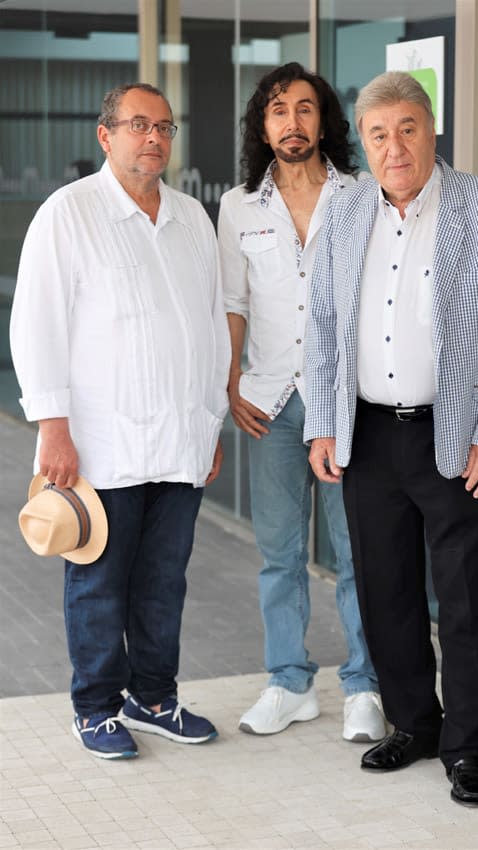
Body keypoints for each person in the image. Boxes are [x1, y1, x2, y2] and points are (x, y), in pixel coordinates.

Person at [304, 71, 478, 805]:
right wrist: (320, 423)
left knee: (464, 600)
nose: (393, 146)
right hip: (367, 437)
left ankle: (467, 747)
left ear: (430, 131)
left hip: (456, 436)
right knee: (385, 592)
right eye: (377, 133)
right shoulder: (339, 212)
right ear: (363, 143)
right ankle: (414, 724)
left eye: (406, 128)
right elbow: (322, 327)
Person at [10, 82, 231, 760]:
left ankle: (154, 698)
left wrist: (211, 419)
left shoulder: (193, 217)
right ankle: (96, 706)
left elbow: (211, 327)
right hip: (101, 443)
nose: (153, 138)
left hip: (181, 440)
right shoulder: (68, 214)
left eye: (163, 126)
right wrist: (52, 425)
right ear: (106, 136)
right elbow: (37, 324)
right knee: (100, 581)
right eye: (138, 125)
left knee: (165, 581)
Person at [218, 62, 383, 742]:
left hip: (345, 403)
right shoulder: (237, 206)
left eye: (305, 108)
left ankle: (364, 685)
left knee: (359, 552)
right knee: (279, 554)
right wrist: (228, 383)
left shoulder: (363, 196)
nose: (292, 121)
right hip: (269, 401)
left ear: (324, 121)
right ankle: (289, 682)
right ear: (263, 125)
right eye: (279, 110)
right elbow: (232, 302)